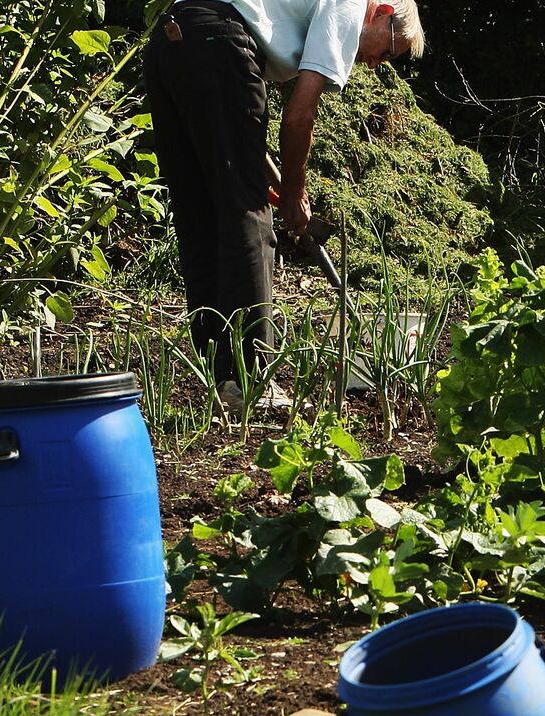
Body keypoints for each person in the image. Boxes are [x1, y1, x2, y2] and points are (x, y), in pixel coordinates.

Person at [141, 0, 425, 414]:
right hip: (217, 41)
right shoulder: (350, 6)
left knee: (200, 213)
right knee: (250, 218)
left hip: (172, 40)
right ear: (381, 12)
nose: (377, 63)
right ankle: (250, 379)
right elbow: (298, 116)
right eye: (389, 50)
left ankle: (217, 377)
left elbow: (241, 134)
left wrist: (279, 181)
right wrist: (292, 192)